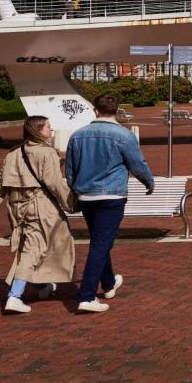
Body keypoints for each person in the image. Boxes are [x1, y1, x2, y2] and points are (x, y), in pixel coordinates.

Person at [0, 116, 76, 314]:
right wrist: (72, 204)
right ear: (38, 130)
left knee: (31, 246)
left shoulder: (13, 154)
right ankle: (15, 295)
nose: (51, 130)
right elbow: (55, 184)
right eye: (48, 127)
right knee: (35, 249)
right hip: (41, 207)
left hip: (16, 208)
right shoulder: (47, 153)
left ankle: (41, 285)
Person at [65, 94, 155, 314]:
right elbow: (137, 163)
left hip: (86, 195)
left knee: (100, 241)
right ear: (117, 111)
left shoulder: (77, 136)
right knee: (100, 245)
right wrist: (148, 182)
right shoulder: (123, 136)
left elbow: (69, 168)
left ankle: (108, 283)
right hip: (112, 195)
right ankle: (86, 295)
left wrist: (75, 188)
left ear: (95, 111)